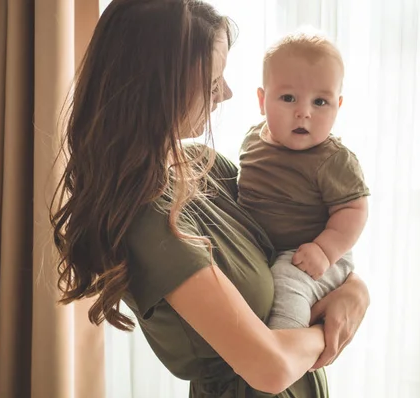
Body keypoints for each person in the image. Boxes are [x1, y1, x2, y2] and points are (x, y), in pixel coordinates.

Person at [49, 0, 369, 397]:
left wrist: (355, 290)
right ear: (158, 85)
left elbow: (296, 232)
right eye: (213, 80)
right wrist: (334, 323)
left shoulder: (206, 166)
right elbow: (269, 368)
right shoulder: (150, 220)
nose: (228, 93)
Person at [238, 32, 369, 330]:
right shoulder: (252, 141)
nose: (304, 113)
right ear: (262, 100)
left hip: (316, 254)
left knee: (287, 280)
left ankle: (285, 343)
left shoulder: (332, 159)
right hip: (264, 249)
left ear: (338, 105)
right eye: (288, 98)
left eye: (320, 102)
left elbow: (354, 210)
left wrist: (324, 250)